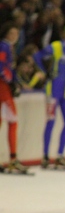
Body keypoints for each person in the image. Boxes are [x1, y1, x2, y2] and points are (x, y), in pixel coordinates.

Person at [33, 22, 65, 169]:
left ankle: (60, 155)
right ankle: (45, 156)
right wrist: (45, 72)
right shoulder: (56, 47)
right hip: (53, 92)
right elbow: (37, 56)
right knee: (51, 122)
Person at [0, 23, 29, 173]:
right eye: (11, 33)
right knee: (13, 121)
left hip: (4, 87)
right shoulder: (4, 46)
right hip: (3, 88)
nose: (14, 36)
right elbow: (1, 66)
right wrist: (11, 81)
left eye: (16, 34)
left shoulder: (8, 47)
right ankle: (12, 158)